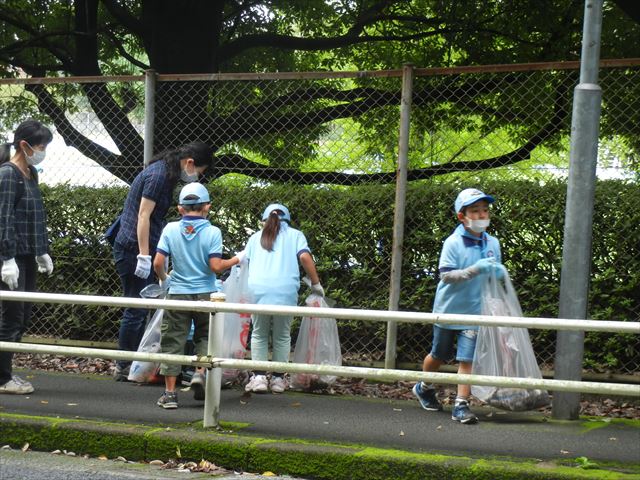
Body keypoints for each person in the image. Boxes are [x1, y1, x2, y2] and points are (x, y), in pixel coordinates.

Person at [111, 141, 214, 381]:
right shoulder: (158, 176)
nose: (197, 176)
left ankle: (137, 363)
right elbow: (143, 215)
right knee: (136, 308)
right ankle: (125, 365)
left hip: (138, 246)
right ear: (190, 162)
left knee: (141, 308)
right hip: (132, 248)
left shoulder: (165, 172)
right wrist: (145, 255)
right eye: (200, 171)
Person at [412, 188, 505, 424]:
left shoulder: (493, 243)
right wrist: (475, 270)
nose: (482, 215)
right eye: (475, 211)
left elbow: (494, 277)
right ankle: (424, 386)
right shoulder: (452, 243)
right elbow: (446, 275)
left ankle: (461, 405)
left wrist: (499, 278)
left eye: (485, 210)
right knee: (439, 355)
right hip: (448, 310)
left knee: (467, 359)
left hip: (475, 312)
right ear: (461, 216)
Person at [153, 182, 242, 409]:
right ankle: (199, 373)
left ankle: (170, 394)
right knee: (205, 336)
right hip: (207, 294)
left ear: (180, 209)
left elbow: (158, 263)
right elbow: (216, 266)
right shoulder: (213, 232)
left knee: (172, 340)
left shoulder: (170, 230)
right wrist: (236, 259)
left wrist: (165, 279)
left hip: (178, 293)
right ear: (207, 207)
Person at [243, 203, 324, 394]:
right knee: (282, 334)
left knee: (259, 333)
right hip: (285, 291)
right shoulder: (296, 235)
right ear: (287, 220)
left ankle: (260, 377)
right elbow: (304, 257)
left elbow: (244, 263)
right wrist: (316, 283)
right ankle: (278, 380)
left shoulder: (255, 238)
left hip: (258, 290)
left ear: (264, 221)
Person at [0, 119, 54, 395]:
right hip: (11, 259)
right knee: (11, 315)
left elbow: (34, 217)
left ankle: (5, 372)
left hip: (27, 255)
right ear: (24, 145)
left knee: (22, 315)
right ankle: (2, 378)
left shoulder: (31, 173)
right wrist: (6, 257)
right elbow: (3, 216)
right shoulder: (8, 174)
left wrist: (41, 250)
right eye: (41, 146)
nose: (43, 151)